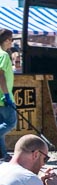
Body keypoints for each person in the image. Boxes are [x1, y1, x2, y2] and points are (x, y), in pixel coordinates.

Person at [0, 29, 17, 158]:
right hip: (3, 96)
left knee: (2, 126)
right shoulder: (4, 55)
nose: (11, 42)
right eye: (11, 40)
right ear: (6, 40)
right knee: (11, 123)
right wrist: (6, 95)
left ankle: (3, 154)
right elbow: (1, 76)